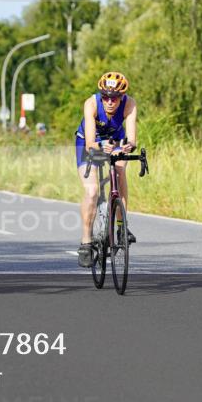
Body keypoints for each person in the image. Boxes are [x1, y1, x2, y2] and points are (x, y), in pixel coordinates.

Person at [75, 71, 138, 267]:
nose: (110, 102)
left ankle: (121, 226)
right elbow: (90, 143)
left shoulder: (130, 104)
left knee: (119, 171)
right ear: (101, 96)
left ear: (121, 97)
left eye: (115, 98)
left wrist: (129, 146)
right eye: (106, 97)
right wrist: (100, 147)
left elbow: (132, 138)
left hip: (115, 142)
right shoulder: (91, 104)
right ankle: (86, 241)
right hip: (88, 143)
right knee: (92, 191)